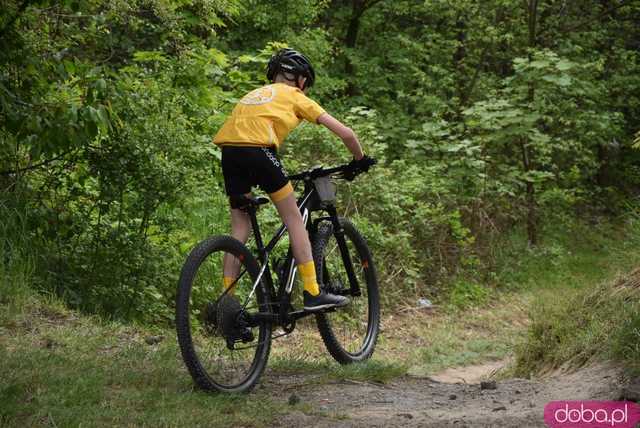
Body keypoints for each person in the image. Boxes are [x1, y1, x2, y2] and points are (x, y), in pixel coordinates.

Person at [213, 48, 372, 311]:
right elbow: (346, 133)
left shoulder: (253, 94)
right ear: (300, 80)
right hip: (259, 150)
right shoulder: (295, 96)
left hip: (229, 152)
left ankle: (226, 301)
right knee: (293, 219)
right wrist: (360, 159)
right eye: (306, 84)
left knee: (240, 228)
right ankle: (312, 291)